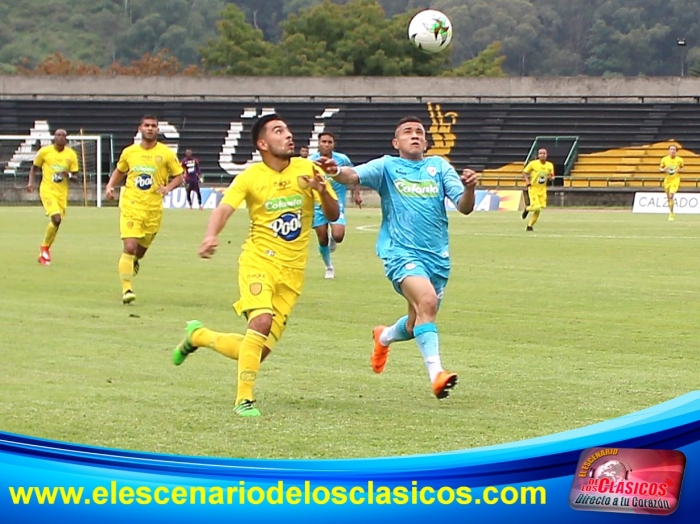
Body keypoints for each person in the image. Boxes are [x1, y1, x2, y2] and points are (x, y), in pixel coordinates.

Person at [171, 114, 339, 417]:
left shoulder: (308, 169)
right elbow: (224, 208)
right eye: (279, 131)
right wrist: (210, 235)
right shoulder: (250, 177)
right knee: (260, 322)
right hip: (258, 261)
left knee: (256, 351)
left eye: (288, 129)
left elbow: (332, 211)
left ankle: (199, 336)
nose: (288, 135)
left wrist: (324, 190)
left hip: (293, 273)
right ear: (262, 143)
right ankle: (243, 400)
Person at [315, 116, 478, 400]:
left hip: (437, 257)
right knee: (427, 301)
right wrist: (335, 170)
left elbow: (464, 207)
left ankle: (384, 336)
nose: (414, 135)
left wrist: (471, 188)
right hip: (400, 252)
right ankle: (436, 374)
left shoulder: (438, 166)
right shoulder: (387, 166)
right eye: (407, 132)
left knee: (418, 322)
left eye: (419, 132)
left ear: (426, 142)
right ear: (396, 142)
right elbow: (352, 175)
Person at [105, 115, 184, 304]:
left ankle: (135, 261)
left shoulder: (165, 153)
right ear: (140, 128)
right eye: (146, 125)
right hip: (131, 205)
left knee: (139, 252)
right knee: (129, 247)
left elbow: (179, 176)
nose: (150, 128)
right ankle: (127, 290)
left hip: (153, 209)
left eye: (153, 126)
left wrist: (168, 188)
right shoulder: (129, 152)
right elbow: (120, 170)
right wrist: (110, 185)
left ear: (158, 130)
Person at [309, 132, 362, 279]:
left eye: (329, 142)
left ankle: (334, 239)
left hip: (336, 202)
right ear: (318, 143)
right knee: (322, 239)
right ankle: (329, 267)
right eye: (323, 141)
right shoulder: (311, 161)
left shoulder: (342, 159)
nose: (326, 144)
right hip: (318, 204)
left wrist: (356, 194)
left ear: (333, 144)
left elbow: (354, 174)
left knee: (338, 236)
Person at [26, 129, 79, 265]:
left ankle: (45, 250)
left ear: (66, 139)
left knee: (57, 222)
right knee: (56, 218)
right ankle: (44, 248)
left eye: (63, 136)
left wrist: (69, 175)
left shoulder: (71, 155)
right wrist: (30, 182)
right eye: (58, 135)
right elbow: (34, 167)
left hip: (61, 194)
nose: (61, 137)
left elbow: (76, 176)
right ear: (54, 137)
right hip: (47, 190)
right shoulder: (45, 152)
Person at [521, 148, 555, 231]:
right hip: (533, 188)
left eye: (544, 153)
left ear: (546, 155)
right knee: (537, 207)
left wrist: (552, 178)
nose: (542, 155)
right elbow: (525, 172)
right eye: (540, 153)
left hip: (542, 190)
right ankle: (527, 209)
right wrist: (527, 181)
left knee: (539, 209)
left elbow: (552, 175)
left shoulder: (550, 165)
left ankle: (529, 226)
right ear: (538, 155)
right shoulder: (533, 164)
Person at [660, 145, 684, 221]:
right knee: (668, 198)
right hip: (667, 180)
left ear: (676, 151)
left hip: (675, 180)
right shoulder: (664, 159)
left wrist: (680, 170)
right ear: (668, 151)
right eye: (671, 149)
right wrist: (663, 170)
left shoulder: (679, 160)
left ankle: (671, 215)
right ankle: (671, 211)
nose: (672, 151)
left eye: (674, 149)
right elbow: (660, 168)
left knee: (671, 196)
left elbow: (682, 167)